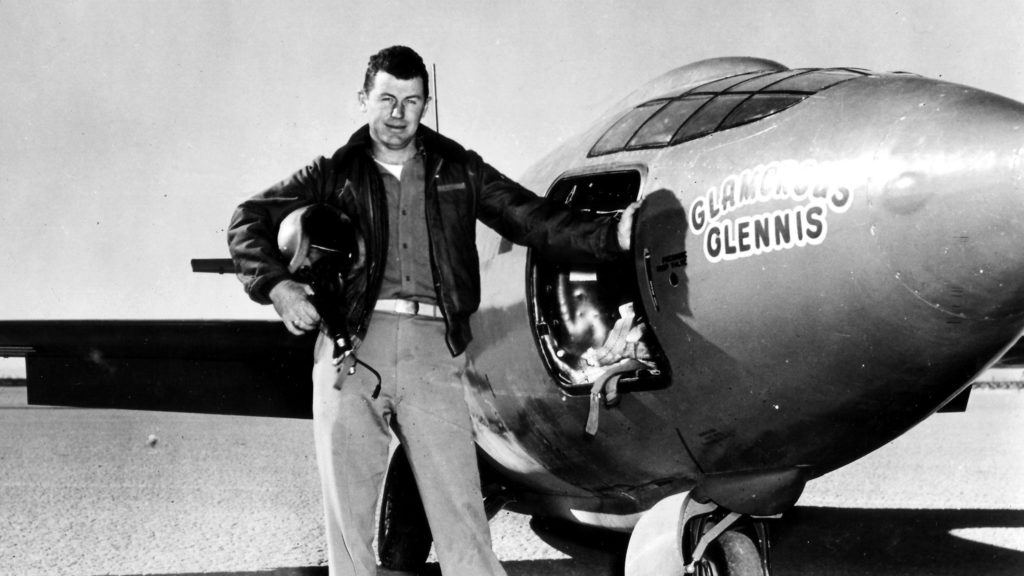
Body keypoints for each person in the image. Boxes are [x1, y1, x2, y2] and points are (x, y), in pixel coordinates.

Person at [227, 45, 637, 576]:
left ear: (426, 103)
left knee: (462, 521)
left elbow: (531, 220)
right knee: (349, 535)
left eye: (412, 101)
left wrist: (610, 234)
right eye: (387, 99)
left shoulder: (460, 170)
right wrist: (279, 288)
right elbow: (246, 220)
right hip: (352, 347)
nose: (398, 114)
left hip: (432, 350)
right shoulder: (333, 173)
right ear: (363, 100)